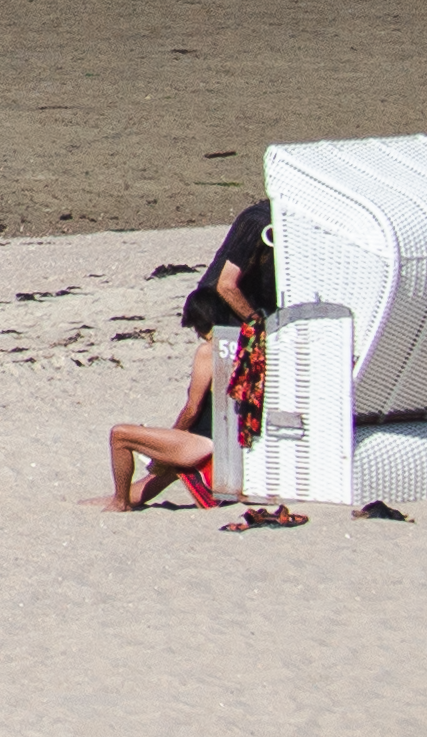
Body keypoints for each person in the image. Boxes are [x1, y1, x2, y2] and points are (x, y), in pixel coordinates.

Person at [107, 198, 298, 518]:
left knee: (120, 435)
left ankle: (119, 502)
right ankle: (124, 498)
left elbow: (191, 409)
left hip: (204, 445)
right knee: (151, 481)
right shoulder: (249, 352)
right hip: (229, 448)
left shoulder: (210, 352)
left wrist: (164, 449)